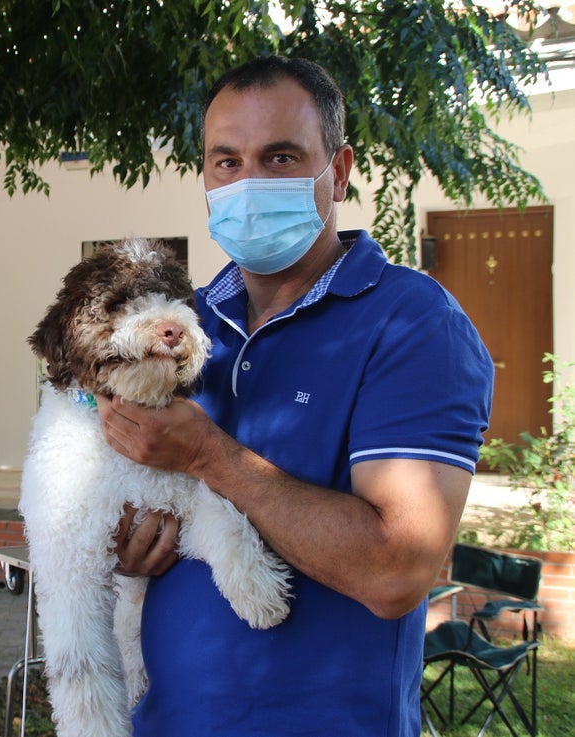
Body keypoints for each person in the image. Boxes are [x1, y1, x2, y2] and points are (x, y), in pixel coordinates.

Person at [98, 56, 494, 736]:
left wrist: (210, 457)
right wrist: (121, 541)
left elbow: (397, 567)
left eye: (279, 157)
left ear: (336, 172)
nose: (248, 182)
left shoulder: (411, 322)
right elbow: (107, 487)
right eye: (226, 161)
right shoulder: (180, 324)